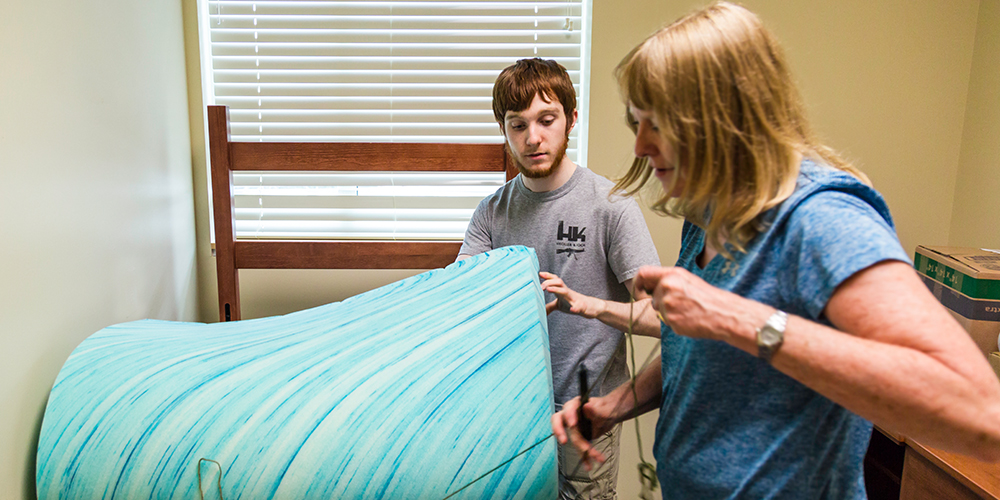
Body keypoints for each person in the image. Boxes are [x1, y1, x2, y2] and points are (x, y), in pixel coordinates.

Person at [550, 2, 1000, 498]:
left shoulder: (823, 219)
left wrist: (736, 319)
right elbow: (698, 353)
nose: (640, 146)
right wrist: (614, 406)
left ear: (722, 116)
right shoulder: (709, 214)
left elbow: (979, 413)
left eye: (656, 123)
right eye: (636, 122)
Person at [457, 57, 661, 499]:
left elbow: (664, 318)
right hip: (509, 418)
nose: (533, 138)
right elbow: (461, 307)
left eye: (546, 120)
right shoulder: (490, 215)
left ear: (570, 119)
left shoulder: (611, 205)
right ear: (503, 130)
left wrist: (593, 306)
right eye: (517, 125)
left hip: (585, 416)